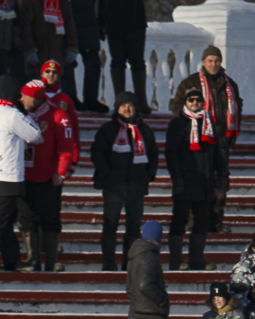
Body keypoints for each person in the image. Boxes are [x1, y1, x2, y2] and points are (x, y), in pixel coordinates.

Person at [169, 46, 241, 233]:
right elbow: (177, 106)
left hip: (221, 141)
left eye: (216, 60)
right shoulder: (190, 83)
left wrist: (230, 136)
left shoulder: (229, 84)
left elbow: (237, 108)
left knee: (220, 183)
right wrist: (188, 129)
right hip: (197, 142)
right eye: (210, 60)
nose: (213, 64)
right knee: (197, 182)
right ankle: (194, 222)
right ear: (203, 62)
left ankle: (216, 221)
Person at [0, 76, 43, 272]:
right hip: (9, 172)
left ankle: (11, 259)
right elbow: (36, 136)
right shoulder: (12, 114)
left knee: (7, 218)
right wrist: (26, 115)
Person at [91, 91, 158, 271]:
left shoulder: (144, 131)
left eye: (130, 106)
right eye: (123, 106)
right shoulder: (108, 129)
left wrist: (148, 176)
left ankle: (130, 264)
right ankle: (109, 263)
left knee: (134, 227)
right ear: (117, 109)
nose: (127, 109)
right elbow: (97, 153)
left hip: (136, 186)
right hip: (113, 186)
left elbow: (153, 154)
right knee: (110, 225)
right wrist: (107, 174)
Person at [164, 87, 225, 271]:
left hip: (204, 182)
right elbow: (171, 153)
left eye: (198, 100)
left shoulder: (209, 124)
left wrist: (220, 177)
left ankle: (196, 258)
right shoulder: (177, 124)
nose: (195, 103)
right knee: (179, 220)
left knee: (202, 221)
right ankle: (176, 260)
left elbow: (216, 154)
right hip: (185, 180)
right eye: (191, 100)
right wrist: (176, 177)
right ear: (185, 102)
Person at [18, 79, 75, 272]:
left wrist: (61, 172)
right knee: (27, 218)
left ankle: (51, 260)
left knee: (50, 217)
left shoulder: (58, 114)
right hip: (24, 175)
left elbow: (66, 147)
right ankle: (32, 260)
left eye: (24, 95)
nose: (21, 99)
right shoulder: (20, 114)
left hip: (48, 178)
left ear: (34, 97)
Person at [101, 0, 149, 115]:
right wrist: (101, 23)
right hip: (113, 21)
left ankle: (141, 102)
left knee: (137, 62)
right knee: (118, 62)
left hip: (135, 21)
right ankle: (120, 102)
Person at [125, 220, 166, 319]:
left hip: (137, 311)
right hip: (147, 314)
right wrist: (161, 299)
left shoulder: (136, 254)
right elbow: (145, 285)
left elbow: (130, 286)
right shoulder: (149, 256)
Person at [18, 0, 77, 83]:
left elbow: (70, 27)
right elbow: (25, 29)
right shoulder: (30, 2)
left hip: (56, 59)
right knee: (36, 92)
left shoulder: (62, 3)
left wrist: (72, 47)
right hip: (37, 59)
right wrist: (30, 49)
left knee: (54, 93)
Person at [70, 0, 105, 112]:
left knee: (94, 65)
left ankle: (91, 98)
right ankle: (70, 98)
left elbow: (102, 4)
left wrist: (101, 24)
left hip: (89, 23)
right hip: (68, 23)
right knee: (68, 64)